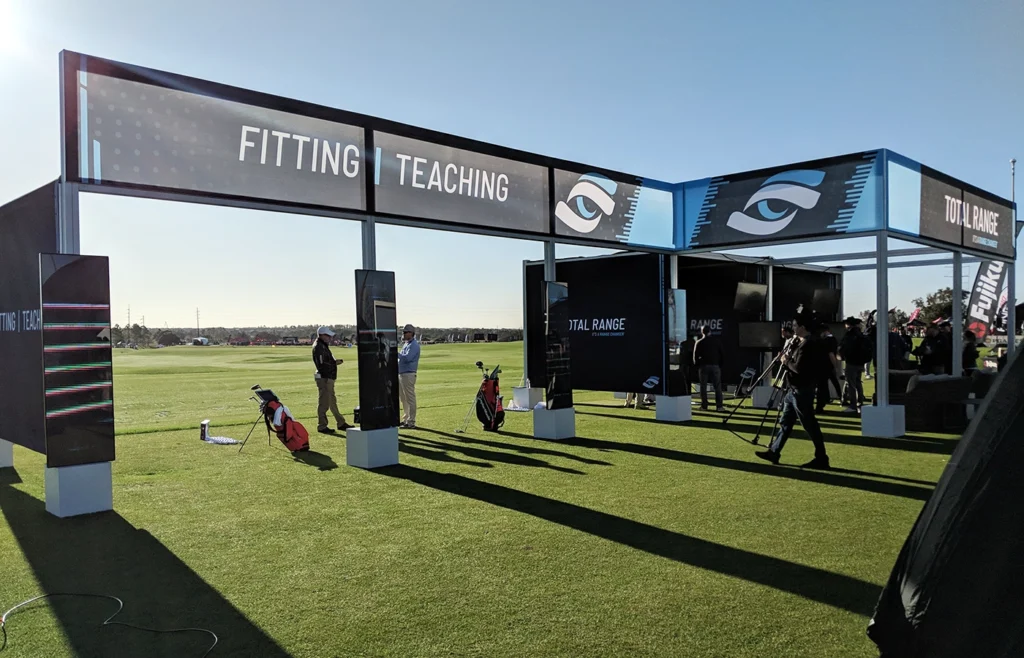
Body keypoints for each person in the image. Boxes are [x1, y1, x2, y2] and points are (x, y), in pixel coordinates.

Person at [755, 313, 831, 469]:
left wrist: (785, 360)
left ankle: (822, 457)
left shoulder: (809, 344)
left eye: (796, 325)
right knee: (786, 422)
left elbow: (799, 368)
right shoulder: (801, 342)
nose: (793, 328)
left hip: (802, 390)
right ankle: (774, 451)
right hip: (793, 390)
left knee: (809, 424)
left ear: (802, 327)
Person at [312, 326, 353, 434]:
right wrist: (334, 363)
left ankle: (340, 422)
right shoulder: (319, 347)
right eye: (327, 335)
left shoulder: (322, 345)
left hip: (328, 377)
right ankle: (322, 425)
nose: (330, 338)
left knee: (331, 401)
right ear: (321, 335)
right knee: (324, 402)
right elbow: (322, 364)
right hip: (325, 378)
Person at [838, 317, 871, 414]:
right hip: (860, 363)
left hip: (851, 362)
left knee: (851, 384)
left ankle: (853, 405)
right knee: (858, 383)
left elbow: (844, 348)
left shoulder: (850, 335)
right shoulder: (861, 335)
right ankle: (860, 403)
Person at [693, 324, 725, 411]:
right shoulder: (717, 341)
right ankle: (719, 406)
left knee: (703, 387)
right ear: (710, 331)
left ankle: (704, 406)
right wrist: (720, 365)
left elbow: (695, 357)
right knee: (717, 387)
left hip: (703, 366)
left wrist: (698, 365)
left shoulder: (699, 342)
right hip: (715, 366)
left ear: (702, 332)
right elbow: (722, 354)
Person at [397, 324, 421, 428]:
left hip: (408, 374)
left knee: (410, 398)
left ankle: (411, 421)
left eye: (405, 332)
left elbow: (407, 358)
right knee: (403, 398)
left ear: (410, 333)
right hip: (402, 373)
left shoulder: (414, 345)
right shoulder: (406, 344)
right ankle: (406, 418)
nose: (403, 334)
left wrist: (395, 353)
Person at [816, 325, 842, 413]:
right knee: (829, 383)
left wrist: (835, 366)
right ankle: (834, 398)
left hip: (826, 366)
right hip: (826, 366)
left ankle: (825, 402)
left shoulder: (829, 340)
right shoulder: (831, 340)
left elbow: (831, 354)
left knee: (823, 385)